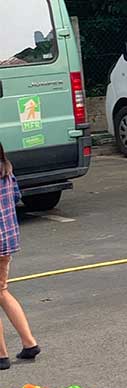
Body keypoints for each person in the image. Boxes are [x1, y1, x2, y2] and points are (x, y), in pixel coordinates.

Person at [0, 143, 40, 370]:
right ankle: (29, 343)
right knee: (2, 291)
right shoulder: (6, 169)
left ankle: (1, 355)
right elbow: (16, 196)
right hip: (6, 241)